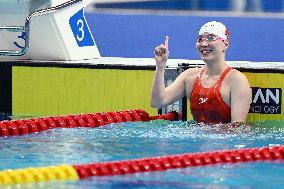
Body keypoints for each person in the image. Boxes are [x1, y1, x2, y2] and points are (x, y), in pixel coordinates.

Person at [151, 21, 252, 124]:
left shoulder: (236, 81)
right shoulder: (189, 77)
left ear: (225, 44)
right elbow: (157, 102)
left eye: (211, 38)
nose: (204, 44)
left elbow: (238, 130)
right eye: (200, 39)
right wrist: (160, 67)